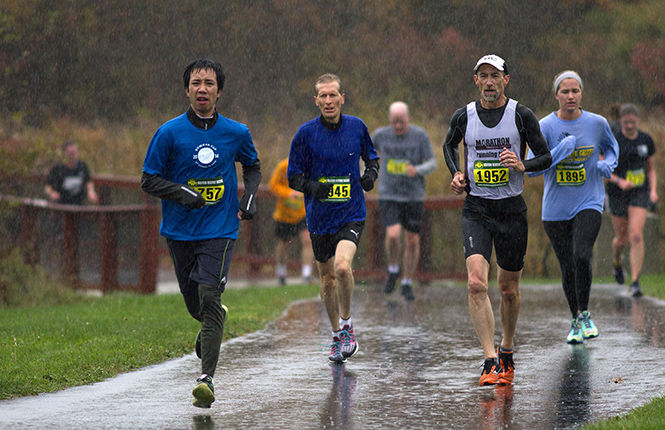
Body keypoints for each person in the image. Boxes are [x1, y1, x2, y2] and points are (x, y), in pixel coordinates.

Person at [141, 58, 261, 408]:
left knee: (210, 296)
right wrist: (182, 193)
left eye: (209, 83)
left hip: (220, 228)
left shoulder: (236, 133)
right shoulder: (168, 133)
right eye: (196, 83)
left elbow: (252, 166)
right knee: (198, 305)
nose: (202, 89)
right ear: (187, 89)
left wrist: (249, 197)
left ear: (219, 91)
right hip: (179, 231)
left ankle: (206, 379)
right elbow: (148, 180)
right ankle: (213, 320)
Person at [442, 55, 552, 386]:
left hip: (511, 209)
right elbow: (448, 146)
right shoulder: (464, 115)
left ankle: (506, 348)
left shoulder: (521, 115)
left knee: (508, 288)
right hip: (477, 209)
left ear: (507, 79)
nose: (489, 82)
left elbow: (546, 156)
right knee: (476, 282)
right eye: (483, 76)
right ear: (476, 80)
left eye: (496, 76)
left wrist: (522, 165)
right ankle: (490, 360)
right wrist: (457, 173)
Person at [287, 73, 379, 364]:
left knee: (342, 267)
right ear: (316, 101)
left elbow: (372, 157)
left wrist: (371, 175)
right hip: (319, 219)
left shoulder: (356, 127)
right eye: (322, 96)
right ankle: (337, 334)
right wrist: (315, 187)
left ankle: (348, 324)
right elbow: (293, 177)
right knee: (327, 281)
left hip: (351, 213)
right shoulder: (305, 134)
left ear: (342, 98)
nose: (328, 101)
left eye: (333, 95)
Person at [527, 70, 619, 344]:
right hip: (555, 209)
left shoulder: (597, 123)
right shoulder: (545, 126)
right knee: (567, 266)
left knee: (581, 254)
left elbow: (612, 149)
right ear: (556, 95)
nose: (570, 96)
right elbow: (530, 168)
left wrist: (608, 164)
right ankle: (576, 318)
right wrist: (557, 153)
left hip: (589, 200)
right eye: (565, 91)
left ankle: (585, 313)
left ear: (581, 93)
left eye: (575, 91)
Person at [372, 101, 437, 301]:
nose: (398, 126)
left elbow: (432, 162)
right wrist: (365, 172)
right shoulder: (381, 135)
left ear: (408, 118)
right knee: (392, 235)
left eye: (401, 122)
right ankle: (393, 268)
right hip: (388, 193)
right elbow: (365, 154)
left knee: (412, 240)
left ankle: (407, 281)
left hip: (413, 195)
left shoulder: (420, 136)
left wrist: (417, 170)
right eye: (394, 123)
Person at [606, 103, 658, 297]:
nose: (629, 125)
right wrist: (619, 182)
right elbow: (603, 166)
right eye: (625, 122)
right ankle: (617, 262)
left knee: (636, 235)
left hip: (640, 191)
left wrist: (653, 190)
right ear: (620, 121)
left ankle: (635, 282)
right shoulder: (614, 140)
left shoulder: (646, 140)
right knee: (622, 240)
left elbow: (651, 169)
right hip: (618, 192)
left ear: (638, 121)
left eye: (632, 122)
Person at [268, 157, 314, 285]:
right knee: (283, 243)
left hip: (302, 212)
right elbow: (273, 185)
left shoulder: (310, 167)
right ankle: (281, 272)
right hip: (285, 214)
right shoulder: (283, 166)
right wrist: (288, 193)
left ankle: (306, 274)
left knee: (308, 240)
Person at [45, 140, 99, 205]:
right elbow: (48, 186)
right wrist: (51, 193)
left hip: (79, 204)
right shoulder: (57, 168)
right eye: (71, 153)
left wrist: (91, 192)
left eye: (75, 153)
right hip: (61, 205)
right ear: (64, 153)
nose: (74, 156)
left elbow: (88, 181)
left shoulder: (82, 166)